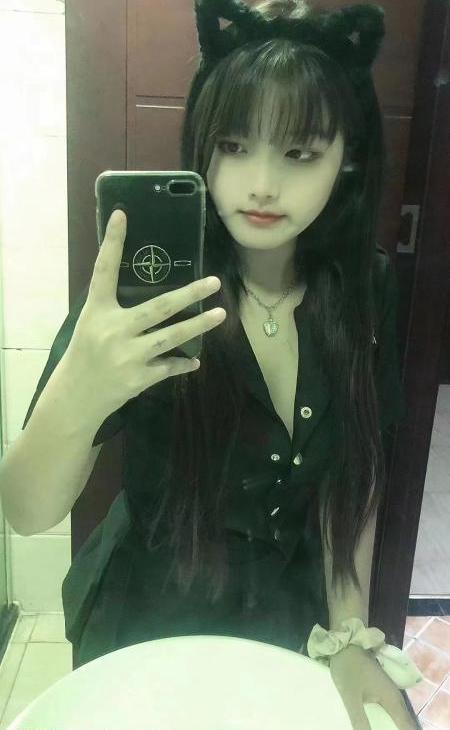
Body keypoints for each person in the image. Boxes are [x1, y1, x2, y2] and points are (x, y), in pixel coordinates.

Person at [14, 0, 422, 726]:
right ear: (202, 147)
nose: (262, 183)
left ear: (348, 158)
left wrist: (350, 631)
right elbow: (25, 510)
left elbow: (353, 476)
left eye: (299, 153)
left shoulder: (366, 289)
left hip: (289, 625)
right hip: (145, 629)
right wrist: (81, 390)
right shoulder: (148, 293)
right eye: (234, 145)